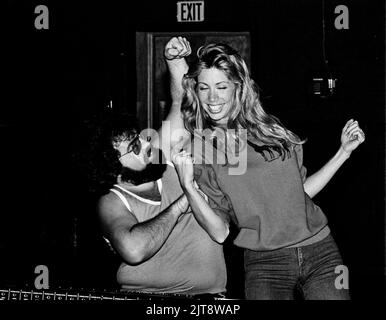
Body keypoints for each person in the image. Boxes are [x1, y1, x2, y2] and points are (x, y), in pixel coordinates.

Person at [161, 36, 365, 300]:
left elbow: (299, 192)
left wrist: (343, 153)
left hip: (321, 252)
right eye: (203, 88)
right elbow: (219, 232)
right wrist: (188, 185)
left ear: (238, 87)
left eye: (221, 86)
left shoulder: (270, 130)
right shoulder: (204, 147)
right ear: (196, 91)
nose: (212, 97)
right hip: (265, 264)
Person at [88, 114, 229, 297]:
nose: (146, 145)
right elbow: (133, 250)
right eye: (134, 147)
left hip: (209, 298)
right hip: (147, 298)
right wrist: (180, 205)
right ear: (112, 165)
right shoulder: (112, 201)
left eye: (140, 138)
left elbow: (179, 101)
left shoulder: (169, 163)